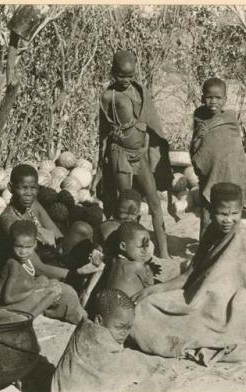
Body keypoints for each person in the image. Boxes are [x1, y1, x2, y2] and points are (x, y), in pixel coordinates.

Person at [129, 183, 246, 364]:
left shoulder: (241, 235)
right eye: (222, 214)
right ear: (210, 211)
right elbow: (190, 274)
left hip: (237, 304)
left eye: (234, 214)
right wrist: (154, 289)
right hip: (204, 297)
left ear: (241, 211)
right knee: (145, 305)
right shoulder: (211, 232)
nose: (228, 220)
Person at [94, 50, 175, 259]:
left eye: (130, 76)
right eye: (121, 75)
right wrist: (98, 168)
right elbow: (104, 133)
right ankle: (128, 251)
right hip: (120, 155)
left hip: (139, 156)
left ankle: (165, 253)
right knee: (127, 207)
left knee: (155, 203)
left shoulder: (140, 91)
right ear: (113, 72)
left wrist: (148, 148)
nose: (126, 80)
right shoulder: (108, 97)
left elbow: (148, 124)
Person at [51, 289, 163, 392]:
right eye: (120, 327)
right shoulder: (98, 339)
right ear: (99, 320)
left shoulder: (83, 328)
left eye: (129, 328)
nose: (124, 333)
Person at [190, 77, 246, 239]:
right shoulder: (199, 116)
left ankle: (230, 246)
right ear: (203, 97)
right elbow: (196, 145)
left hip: (232, 173)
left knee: (231, 216)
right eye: (209, 97)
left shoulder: (230, 118)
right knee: (206, 216)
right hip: (211, 173)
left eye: (218, 98)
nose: (213, 101)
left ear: (225, 99)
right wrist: (198, 135)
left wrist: (243, 169)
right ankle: (203, 252)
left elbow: (235, 148)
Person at [0, 220, 87, 325]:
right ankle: (27, 321)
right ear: (11, 244)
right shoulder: (13, 264)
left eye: (28, 247)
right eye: (18, 246)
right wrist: (35, 290)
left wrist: (40, 286)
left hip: (18, 300)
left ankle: (78, 314)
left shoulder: (26, 260)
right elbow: (8, 298)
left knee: (44, 280)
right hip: (7, 309)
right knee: (54, 292)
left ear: (35, 245)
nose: (23, 252)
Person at [0, 164, 69, 279]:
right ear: (11, 188)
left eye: (33, 188)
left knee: (81, 229)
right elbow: (38, 268)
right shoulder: (9, 220)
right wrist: (75, 274)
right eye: (24, 188)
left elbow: (59, 238)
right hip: (20, 274)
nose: (29, 193)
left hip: (42, 259)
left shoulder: (32, 205)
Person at [105, 221, 155, 298]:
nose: (144, 251)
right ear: (123, 246)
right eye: (140, 247)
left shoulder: (114, 261)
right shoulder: (136, 266)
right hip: (130, 306)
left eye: (146, 246)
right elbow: (150, 286)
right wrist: (148, 270)